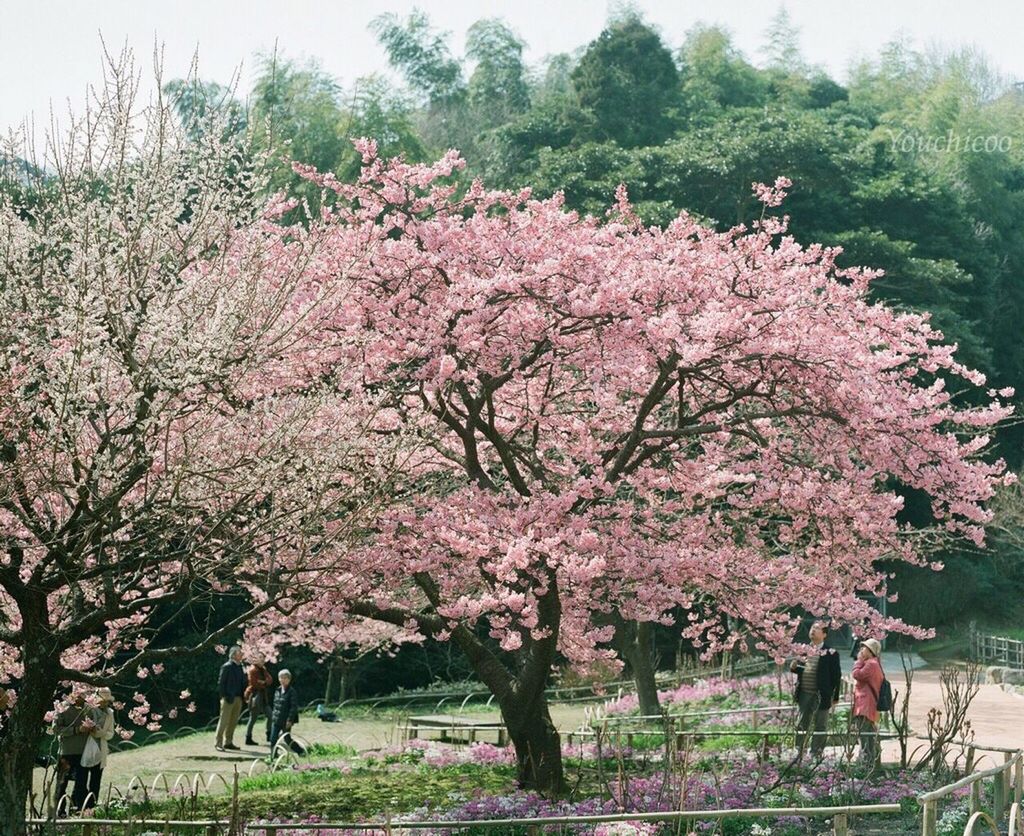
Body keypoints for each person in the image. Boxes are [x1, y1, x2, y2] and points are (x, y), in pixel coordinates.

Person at [790, 620, 842, 760]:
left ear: (824, 634)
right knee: (802, 723)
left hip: (822, 694)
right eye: (812, 628)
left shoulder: (831, 653)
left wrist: (835, 697)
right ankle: (799, 751)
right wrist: (794, 667)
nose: (813, 630)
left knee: (820, 724)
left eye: (817, 629)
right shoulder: (804, 649)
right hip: (804, 692)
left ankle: (816, 753)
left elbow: (836, 676)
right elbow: (800, 669)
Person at [78, 687, 115, 810]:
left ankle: (92, 807)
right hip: (85, 748)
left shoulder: (110, 713)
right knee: (82, 781)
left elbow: (111, 733)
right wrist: (91, 730)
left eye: (106, 700)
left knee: (96, 781)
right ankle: (81, 807)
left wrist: (100, 733)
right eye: (103, 700)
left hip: (101, 749)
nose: (104, 702)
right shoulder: (89, 709)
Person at [53, 693, 90, 814]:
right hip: (66, 753)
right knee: (61, 784)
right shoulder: (62, 707)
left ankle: (77, 811)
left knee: (81, 784)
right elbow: (56, 729)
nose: (81, 697)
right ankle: (60, 812)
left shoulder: (89, 708)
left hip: (83, 752)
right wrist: (76, 730)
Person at [852, 638, 885, 770]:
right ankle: (869, 762)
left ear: (871, 651)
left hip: (866, 705)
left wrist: (859, 661)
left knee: (865, 735)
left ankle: (866, 764)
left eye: (864, 648)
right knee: (868, 735)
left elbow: (857, 674)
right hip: (867, 705)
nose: (861, 650)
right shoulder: (874, 663)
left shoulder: (871, 664)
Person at [215, 645, 246, 752]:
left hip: (238, 698)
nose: (241, 654)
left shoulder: (240, 667)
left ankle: (228, 742)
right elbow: (221, 683)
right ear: (233, 654)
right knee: (223, 721)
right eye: (239, 652)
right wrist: (225, 696)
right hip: (228, 698)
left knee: (233, 722)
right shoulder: (227, 666)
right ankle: (218, 743)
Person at [244, 654, 274, 746]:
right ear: (255, 659)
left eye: (263, 658)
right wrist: (264, 682)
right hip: (255, 696)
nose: (262, 660)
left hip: (263, 696)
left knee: (271, 716)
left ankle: (269, 734)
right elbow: (254, 684)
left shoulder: (263, 669)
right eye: (260, 658)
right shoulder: (252, 670)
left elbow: (270, 680)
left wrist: (263, 682)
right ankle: (248, 738)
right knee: (253, 718)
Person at [269, 669, 299, 752]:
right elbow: (275, 705)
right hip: (276, 719)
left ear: (289, 679)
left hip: (286, 720)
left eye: (285, 678)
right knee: (273, 739)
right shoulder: (277, 690)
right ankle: (273, 757)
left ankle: (300, 751)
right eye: (281, 678)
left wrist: (289, 720)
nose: (283, 680)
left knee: (287, 739)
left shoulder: (292, 692)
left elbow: (293, 707)